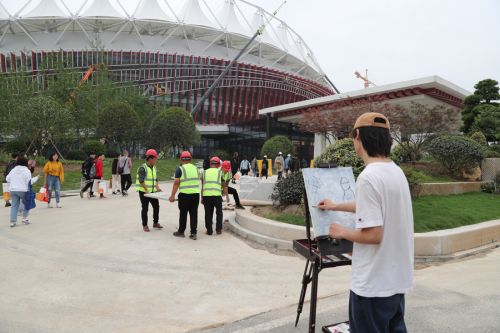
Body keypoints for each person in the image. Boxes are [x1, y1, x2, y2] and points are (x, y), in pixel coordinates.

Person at [317, 112, 413, 333]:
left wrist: (341, 231)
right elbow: (374, 207)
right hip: (395, 281)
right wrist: (335, 205)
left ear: (357, 135)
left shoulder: (368, 177)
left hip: (372, 285)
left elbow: (373, 235)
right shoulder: (395, 172)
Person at [169, 151, 200, 240]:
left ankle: (181, 232)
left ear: (181, 159)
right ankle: (193, 233)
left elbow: (176, 183)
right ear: (190, 159)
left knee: (183, 213)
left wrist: (172, 196)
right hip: (195, 195)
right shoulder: (195, 168)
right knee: (194, 214)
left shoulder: (180, 169)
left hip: (184, 195)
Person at [136, 149, 163, 232]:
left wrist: (157, 187)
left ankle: (155, 223)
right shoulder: (142, 168)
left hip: (153, 192)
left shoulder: (154, 167)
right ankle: (145, 225)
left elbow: (155, 179)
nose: (156, 161)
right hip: (144, 192)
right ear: (150, 159)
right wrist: (146, 190)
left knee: (156, 206)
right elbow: (141, 180)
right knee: (145, 208)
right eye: (155, 159)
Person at [6, 156, 38, 227]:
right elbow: (29, 182)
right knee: (27, 203)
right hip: (23, 190)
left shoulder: (13, 170)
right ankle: (24, 218)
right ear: (25, 163)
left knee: (14, 206)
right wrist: (36, 178)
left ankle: (12, 222)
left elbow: (7, 179)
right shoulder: (27, 171)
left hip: (13, 190)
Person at [201, 156, 227, 235]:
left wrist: (202, 197)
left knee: (208, 213)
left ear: (210, 164)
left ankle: (209, 231)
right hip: (216, 196)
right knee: (219, 213)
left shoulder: (204, 172)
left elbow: (203, 186)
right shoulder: (220, 173)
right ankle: (218, 230)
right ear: (218, 164)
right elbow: (224, 185)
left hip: (206, 196)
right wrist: (225, 195)